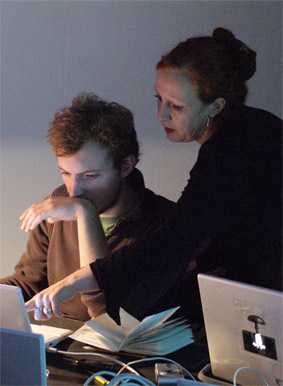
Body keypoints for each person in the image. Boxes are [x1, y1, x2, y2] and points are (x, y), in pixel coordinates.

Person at [25, 28, 282, 326]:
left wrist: (78, 281)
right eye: (159, 99)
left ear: (216, 106)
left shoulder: (239, 144)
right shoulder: (248, 133)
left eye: (177, 106)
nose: (162, 115)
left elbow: (174, 240)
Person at [1, 92, 174, 321]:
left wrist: (85, 214)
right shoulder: (58, 203)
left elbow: (110, 319)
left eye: (90, 176)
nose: (74, 191)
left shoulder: (165, 223)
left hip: (119, 352)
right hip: (62, 349)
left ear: (125, 166)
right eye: (66, 173)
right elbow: (26, 284)